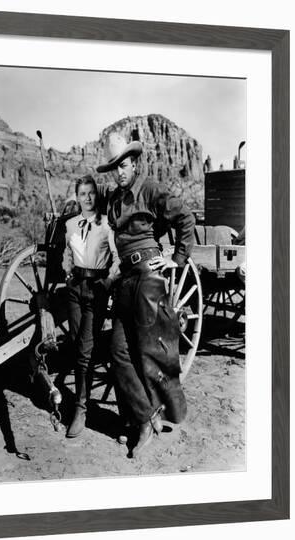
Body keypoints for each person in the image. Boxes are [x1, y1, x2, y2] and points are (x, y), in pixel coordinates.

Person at [96, 133, 195, 458]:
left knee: (152, 353)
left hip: (149, 278)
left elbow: (184, 217)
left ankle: (155, 420)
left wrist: (176, 258)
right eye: (114, 168)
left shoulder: (149, 188)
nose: (119, 172)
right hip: (125, 280)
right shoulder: (113, 200)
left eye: (123, 166)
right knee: (118, 352)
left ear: (134, 163)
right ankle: (145, 417)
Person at [62, 175, 120, 438]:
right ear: (77, 196)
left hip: (96, 289)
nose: (87, 197)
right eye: (82, 193)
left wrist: (107, 282)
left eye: (91, 193)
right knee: (75, 344)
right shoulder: (71, 224)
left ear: (97, 196)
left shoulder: (107, 225)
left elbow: (117, 260)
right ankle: (80, 400)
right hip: (75, 288)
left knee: (85, 350)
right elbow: (67, 253)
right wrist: (66, 273)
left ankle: (81, 409)